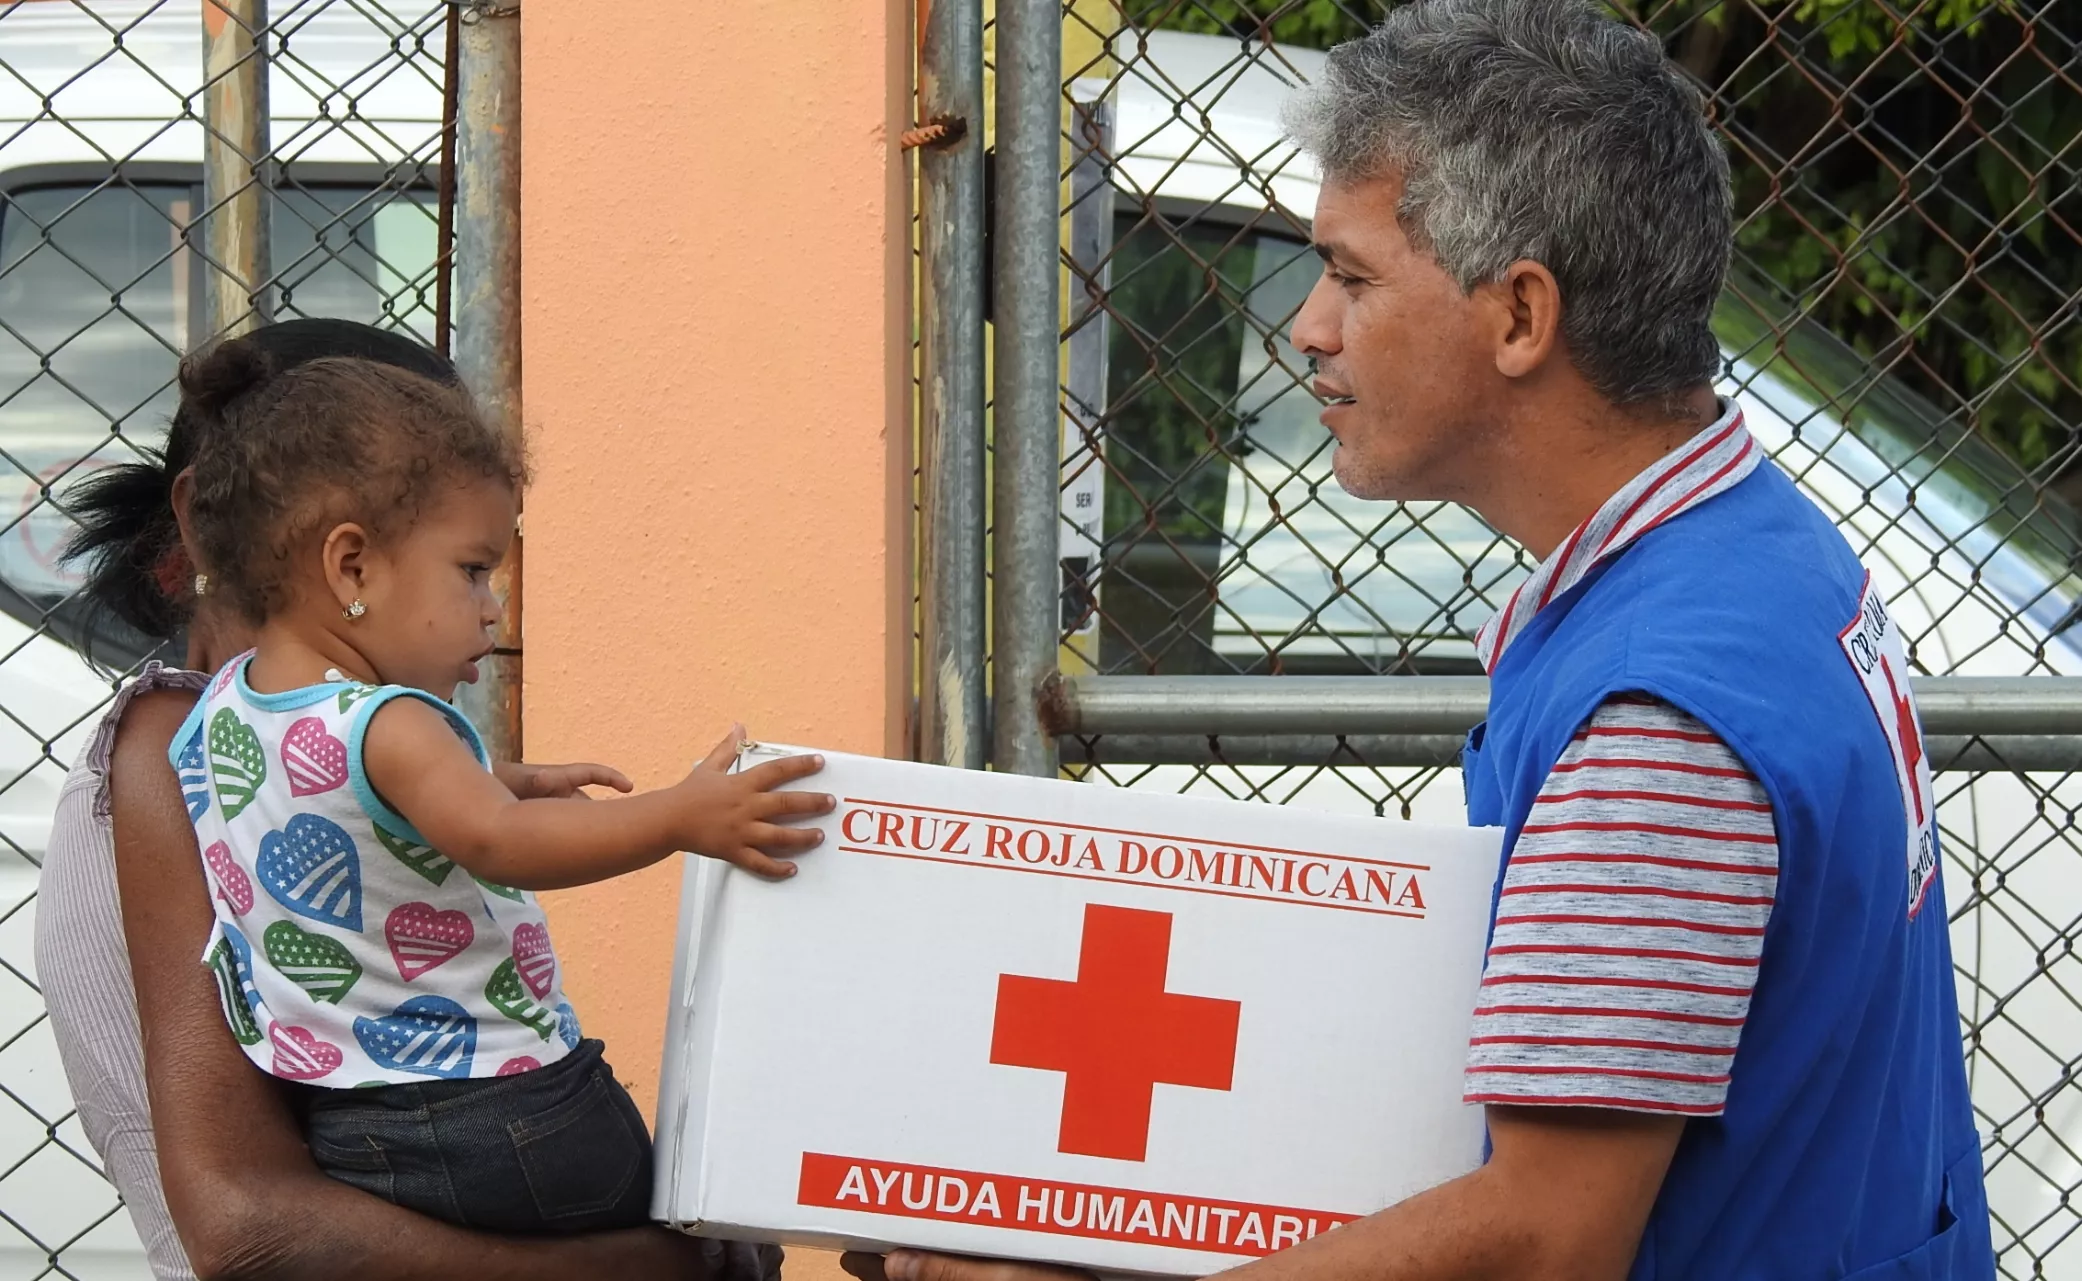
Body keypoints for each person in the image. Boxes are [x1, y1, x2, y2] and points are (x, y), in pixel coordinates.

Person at [847, 1, 1992, 1279]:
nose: (1310, 329)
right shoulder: (1759, 548)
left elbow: (1549, 1237)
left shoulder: (1656, 718)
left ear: (1520, 317)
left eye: (1350, 275)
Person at [38, 317, 781, 1279]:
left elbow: (343, 805)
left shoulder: (236, 722)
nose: (494, 607)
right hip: (471, 1144)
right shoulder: (163, 750)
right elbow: (247, 1228)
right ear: (347, 563)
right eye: (469, 567)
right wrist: (684, 816)